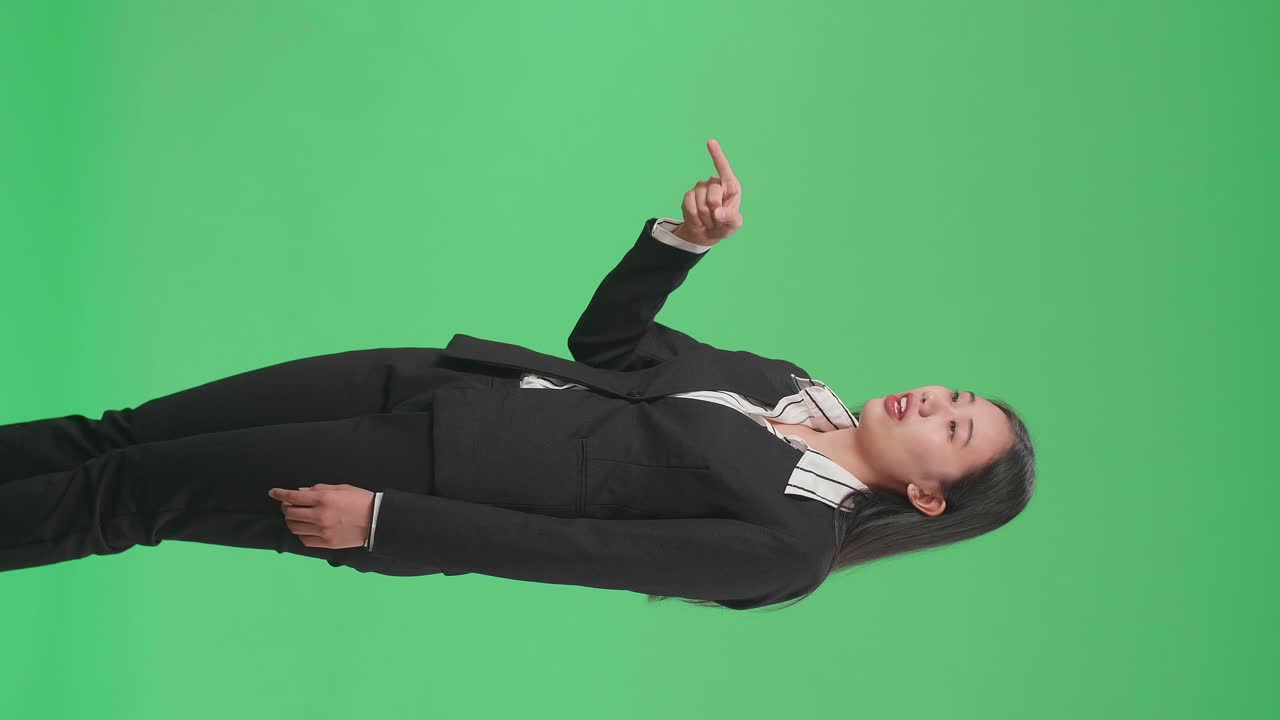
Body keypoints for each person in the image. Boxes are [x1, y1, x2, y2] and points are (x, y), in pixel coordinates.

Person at [0, 139, 1036, 611]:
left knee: (123, 496)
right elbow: (608, 350)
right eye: (953, 396)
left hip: (423, 478)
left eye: (953, 429)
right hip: (438, 381)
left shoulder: (792, 549)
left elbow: (578, 554)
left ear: (929, 496)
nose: (933, 403)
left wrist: (388, 526)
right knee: (119, 435)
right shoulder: (788, 384)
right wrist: (682, 245)